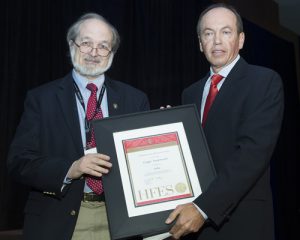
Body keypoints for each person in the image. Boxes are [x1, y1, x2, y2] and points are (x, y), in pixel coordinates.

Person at [7, 13, 149, 240]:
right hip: (59, 221)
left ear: (112, 53)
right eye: (86, 43)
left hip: (119, 222)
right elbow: (19, 162)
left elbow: (143, 162)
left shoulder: (135, 99)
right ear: (71, 45)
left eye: (103, 46)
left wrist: (162, 135)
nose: (94, 53)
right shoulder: (42, 99)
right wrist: (70, 169)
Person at [165, 3, 284, 240]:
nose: (217, 40)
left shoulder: (264, 81)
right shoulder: (190, 93)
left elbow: (252, 154)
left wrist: (203, 208)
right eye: (208, 33)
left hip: (241, 222)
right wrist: (168, 132)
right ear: (200, 43)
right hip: (193, 224)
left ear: (240, 40)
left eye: (226, 32)